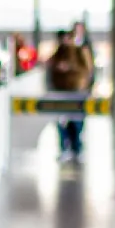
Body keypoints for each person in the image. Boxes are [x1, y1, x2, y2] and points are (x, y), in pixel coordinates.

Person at [45, 22, 97, 159]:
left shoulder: (82, 50)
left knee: (77, 120)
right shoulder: (59, 52)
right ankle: (65, 148)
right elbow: (50, 66)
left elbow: (88, 69)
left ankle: (77, 148)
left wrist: (70, 67)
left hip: (77, 91)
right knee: (62, 121)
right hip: (61, 91)